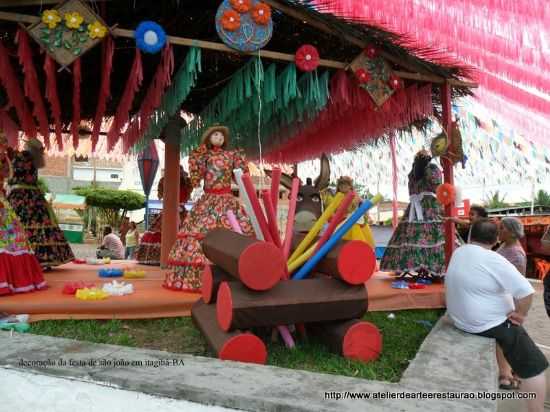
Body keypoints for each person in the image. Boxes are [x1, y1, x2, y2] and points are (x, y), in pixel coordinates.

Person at [446, 219, 547, 411]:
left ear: (470, 236)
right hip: (488, 325)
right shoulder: (493, 259)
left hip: (461, 321)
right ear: (495, 240)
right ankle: (536, 409)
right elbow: (527, 292)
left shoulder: (459, 252)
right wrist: (520, 315)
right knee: (535, 366)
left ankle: (506, 373)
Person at [164, 125, 252, 292]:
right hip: (208, 200)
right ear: (209, 138)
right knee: (199, 232)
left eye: (221, 135)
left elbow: (241, 174)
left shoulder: (231, 155)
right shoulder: (203, 156)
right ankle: (197, 279)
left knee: (237, 231)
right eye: (215, 134)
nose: (218, 137)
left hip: (227, 201)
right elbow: (196, 178)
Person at [7, 138, 74, 270]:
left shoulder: (21, 157)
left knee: (19, 224)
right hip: (35, 196)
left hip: (20, 196)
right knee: (43, 226)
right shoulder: (34, 160)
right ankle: (46, 259)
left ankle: (24, 258)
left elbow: (11, 175)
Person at [380, 150, 445, 278]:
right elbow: (438, 186)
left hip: (414, 207)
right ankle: (434, 267)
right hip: (429, 205)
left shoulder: (412, 173)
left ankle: (406, 265)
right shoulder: (432, 169)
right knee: (435, 234)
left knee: (409, 235)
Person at [0, 142, 46, 295]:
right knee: (13, 237)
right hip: (13, 200)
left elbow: (8, 176)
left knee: (12, 237)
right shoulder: (9, 157)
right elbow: (8, 175)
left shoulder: (10, 157)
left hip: (11, 200)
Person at [134, 166, 192, 266]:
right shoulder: (182, 183)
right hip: (173, 210)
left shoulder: (176, 182)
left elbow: (163, 196)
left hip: (175, 210)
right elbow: (185, 197)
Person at [323, 176, 375, 247]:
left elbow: (357, 208)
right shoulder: (337, 196)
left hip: (354, 221)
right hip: (341, 221)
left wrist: (367, 217)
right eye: (341, 185)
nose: (343, 186)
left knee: (356, 234)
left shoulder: (354, 195)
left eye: (346, 184)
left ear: (350, 186)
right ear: (338, 186)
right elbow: (334, 209)